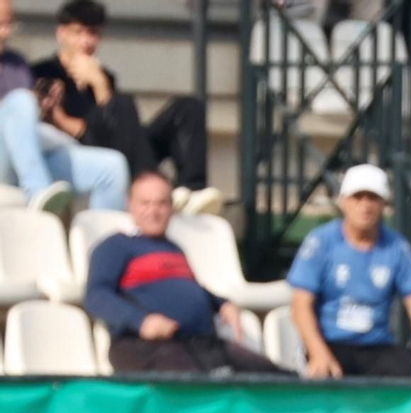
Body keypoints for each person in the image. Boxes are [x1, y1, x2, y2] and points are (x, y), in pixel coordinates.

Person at [85, 172, 285, 376]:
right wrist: (140, 321)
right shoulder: (115, 246)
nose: (153, 211)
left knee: (276, 377)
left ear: (171, 208)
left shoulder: (174, 249)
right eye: (145, 203)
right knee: (194, 385)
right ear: (130, 205)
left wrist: (221, 303)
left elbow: (191, 289)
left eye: (161, 203)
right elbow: (96, 295)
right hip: (145, 346)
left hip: (202, 344)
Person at [31, 1, 221, 214]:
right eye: (77, 33)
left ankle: (192, 189)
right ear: (61, 34)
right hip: (81, 152)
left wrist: (99, 84)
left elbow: (114, 124)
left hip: (121, 145)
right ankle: (153, 187)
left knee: (188, 107)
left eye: (92, 33)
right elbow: (60, 127)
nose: (85, 42)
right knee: (122, 103)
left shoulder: (103, 76)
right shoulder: (43, 72)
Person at [287, 164, 411, 381]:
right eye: (357, 197)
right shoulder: (320, 242)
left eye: (373, 198)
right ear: (343, 201)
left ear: (383, 204)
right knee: (324, 378)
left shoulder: (397, 247)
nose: (365, 205)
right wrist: (318, 353)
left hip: (377, 345)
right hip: (329, 342)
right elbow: (300, 305)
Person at [0, 0, 124, 213]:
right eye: (1, 24)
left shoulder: (17, 64)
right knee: (20, 100)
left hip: (28, 156)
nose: (6, 32)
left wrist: (46, 108)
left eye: (10, 24)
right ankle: (37, 191)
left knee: (112, 167)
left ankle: (106, 234)